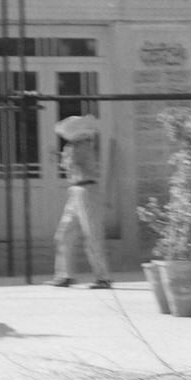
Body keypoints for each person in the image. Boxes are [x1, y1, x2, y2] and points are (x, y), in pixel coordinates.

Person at [48, 114, 112, 289]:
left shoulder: (82, 146)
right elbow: (69, 166)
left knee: (92, 235)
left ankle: (102, 277)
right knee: (65, 233)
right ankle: (64, 275)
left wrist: (62, 157)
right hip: (77, 190)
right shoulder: (75, 146)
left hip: (86, 190)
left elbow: (72, 165)